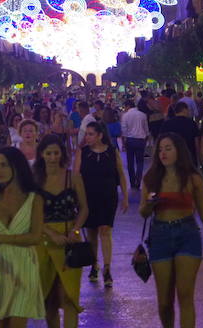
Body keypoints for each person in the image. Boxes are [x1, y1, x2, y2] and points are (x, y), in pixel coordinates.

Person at [140, 133, 203, 328]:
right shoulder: (151, 178)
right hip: (160, 236)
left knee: (185, 295)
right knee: (165, 302)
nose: (163, 153)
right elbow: (143, 213)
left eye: (168, 148)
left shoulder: (193, 178)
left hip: (187, 234)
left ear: (179, 151)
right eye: (160, 149)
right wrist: (149, 204)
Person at [0, 146, 45, 326]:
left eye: (3, 165)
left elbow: (35, 237)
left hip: (24, 266)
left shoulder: (34, 198)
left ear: (17, 166)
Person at [34, 135, 88, 328]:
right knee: (48, 297)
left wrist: (75, 230)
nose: (53, 157)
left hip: (69, 239)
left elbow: (84, 208)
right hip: (43, 240)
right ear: (42, 155)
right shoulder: (35, 180)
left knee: (70, 296)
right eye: (49, 153)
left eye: (56, 153)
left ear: (62, 154)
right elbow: (31, 215)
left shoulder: (73, 177)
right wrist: (50, 233)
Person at [75, 121, 128, 287]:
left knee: (105, 230)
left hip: (108, 197)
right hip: (88, 198)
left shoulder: (112, 152)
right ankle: (94, 264)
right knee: (91, 234)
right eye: (86, 134)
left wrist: (125, 196)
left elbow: (120, 174)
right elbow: (76, 175)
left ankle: (107, 268)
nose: (88, 137)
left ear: (100, 135)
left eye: (91, 134)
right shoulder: (82, 153)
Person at [120, 99, 150, 190]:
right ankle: (138, 180)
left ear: (127, 106)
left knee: (130, 162)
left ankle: (132, 182)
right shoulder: (142, 115)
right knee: (140, 161)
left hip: (130, 140)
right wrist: (146, 138)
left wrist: (123, 142)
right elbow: (146, 129)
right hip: (141, 140)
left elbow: (124, 130)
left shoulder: (125, 116)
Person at [161, 102, 201, 167]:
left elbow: (160, 141)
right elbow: (196, 144)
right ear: (184, 110)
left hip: (172, 159)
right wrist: (199, 160)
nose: (189, 112)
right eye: (188, 110)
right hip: (189, 159)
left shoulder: (166, 124)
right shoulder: (192, 123)